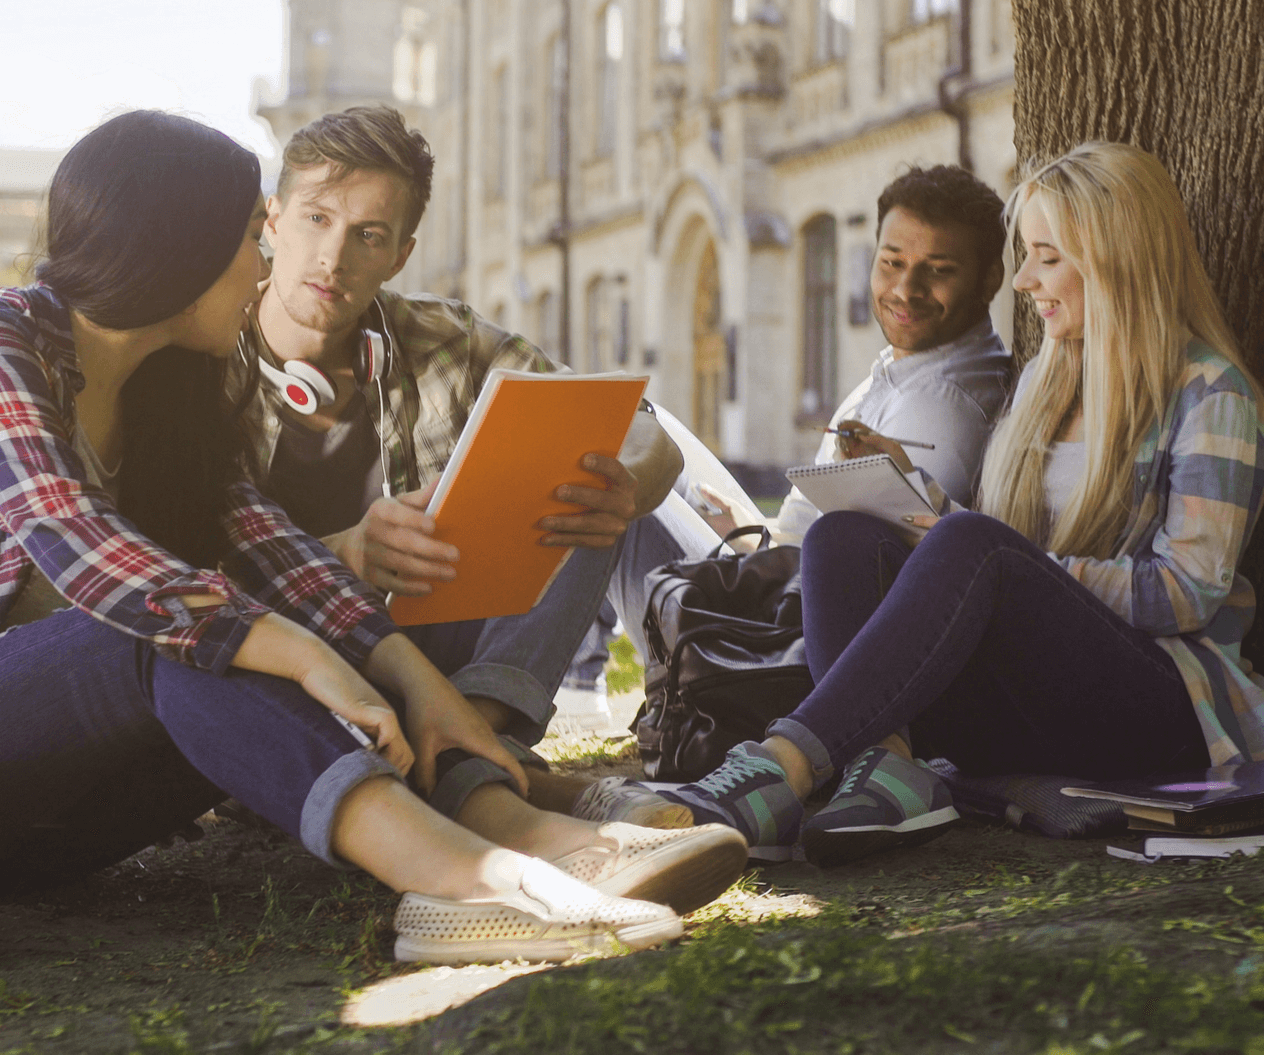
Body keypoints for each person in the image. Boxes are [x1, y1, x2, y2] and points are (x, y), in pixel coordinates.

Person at [0, 111, 747, 964]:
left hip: (64, 829)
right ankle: (472, 880)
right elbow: (74, 536)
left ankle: (505, 819)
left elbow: (276, 556)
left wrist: (416, 684)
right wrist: (301, 651)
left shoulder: (173, 393)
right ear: (176, 244)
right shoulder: (12, 339)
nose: (266, 263)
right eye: (256, 234)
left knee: (256, 623)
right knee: (169, 631)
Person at [658, 141, 1264, 867]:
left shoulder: (1210, 393)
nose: (1027, 280)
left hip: (1161, 709)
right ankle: (885, 772)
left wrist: (1011, 561)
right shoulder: (1048, 378)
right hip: (1031, 699)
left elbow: (1189, 593)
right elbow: (995, 553)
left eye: (1047, 256)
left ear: (1113, 260)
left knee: (973, 543)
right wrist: (920, 501)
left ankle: (780, 768)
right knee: (843, 536)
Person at [689, 164, 1013, 553]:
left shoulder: (940, 407)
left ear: (991, 279)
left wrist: (753, 547)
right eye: (892, 263)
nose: (906, 290)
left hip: (776, 604)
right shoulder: (908, 369)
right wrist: (753, 530)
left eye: (939, 270)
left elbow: (857, 580)